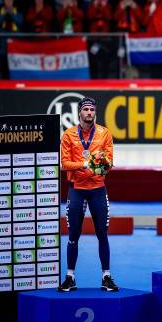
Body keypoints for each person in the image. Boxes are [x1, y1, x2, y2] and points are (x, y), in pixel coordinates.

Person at [59, 98, 118, 292]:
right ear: (79, 113)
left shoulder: (105, 133)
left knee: (103, 234)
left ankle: (106, 277)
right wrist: (85, 164)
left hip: (98, 190)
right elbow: (65, 164)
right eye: (86, 109)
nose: (90, 113)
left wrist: (102, 165)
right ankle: (70, 277)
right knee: (73, 235)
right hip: (76, 190)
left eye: (92, 109)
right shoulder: (68, 135)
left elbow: (109, 162)